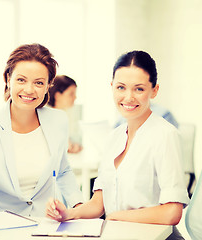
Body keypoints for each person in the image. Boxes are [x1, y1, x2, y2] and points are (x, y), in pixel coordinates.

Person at [46, 51, 189, 238]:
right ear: (112, 87)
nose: (128, 97)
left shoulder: (165, 135)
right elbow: (98, 204)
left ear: (154, 90)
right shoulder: (113, 137)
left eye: (139, 89)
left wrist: (117, 217)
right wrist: (69, 214)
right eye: (121, 87)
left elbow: (172, 212)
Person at [0, 43, 83, 219]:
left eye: (39, 83)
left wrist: (79, 207)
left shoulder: (58, 120)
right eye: (21, 80)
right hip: (2, 225)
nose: (29, 89)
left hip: (47, 223)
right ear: (7, 79)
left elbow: (63, 170)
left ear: (49, 85)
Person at [48, 75, 83, 153]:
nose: (75, 97)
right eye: (71, 94)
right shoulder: (43, 117)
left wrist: (75, 145)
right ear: (58, 96)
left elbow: (75, 138)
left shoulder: (65, 115)